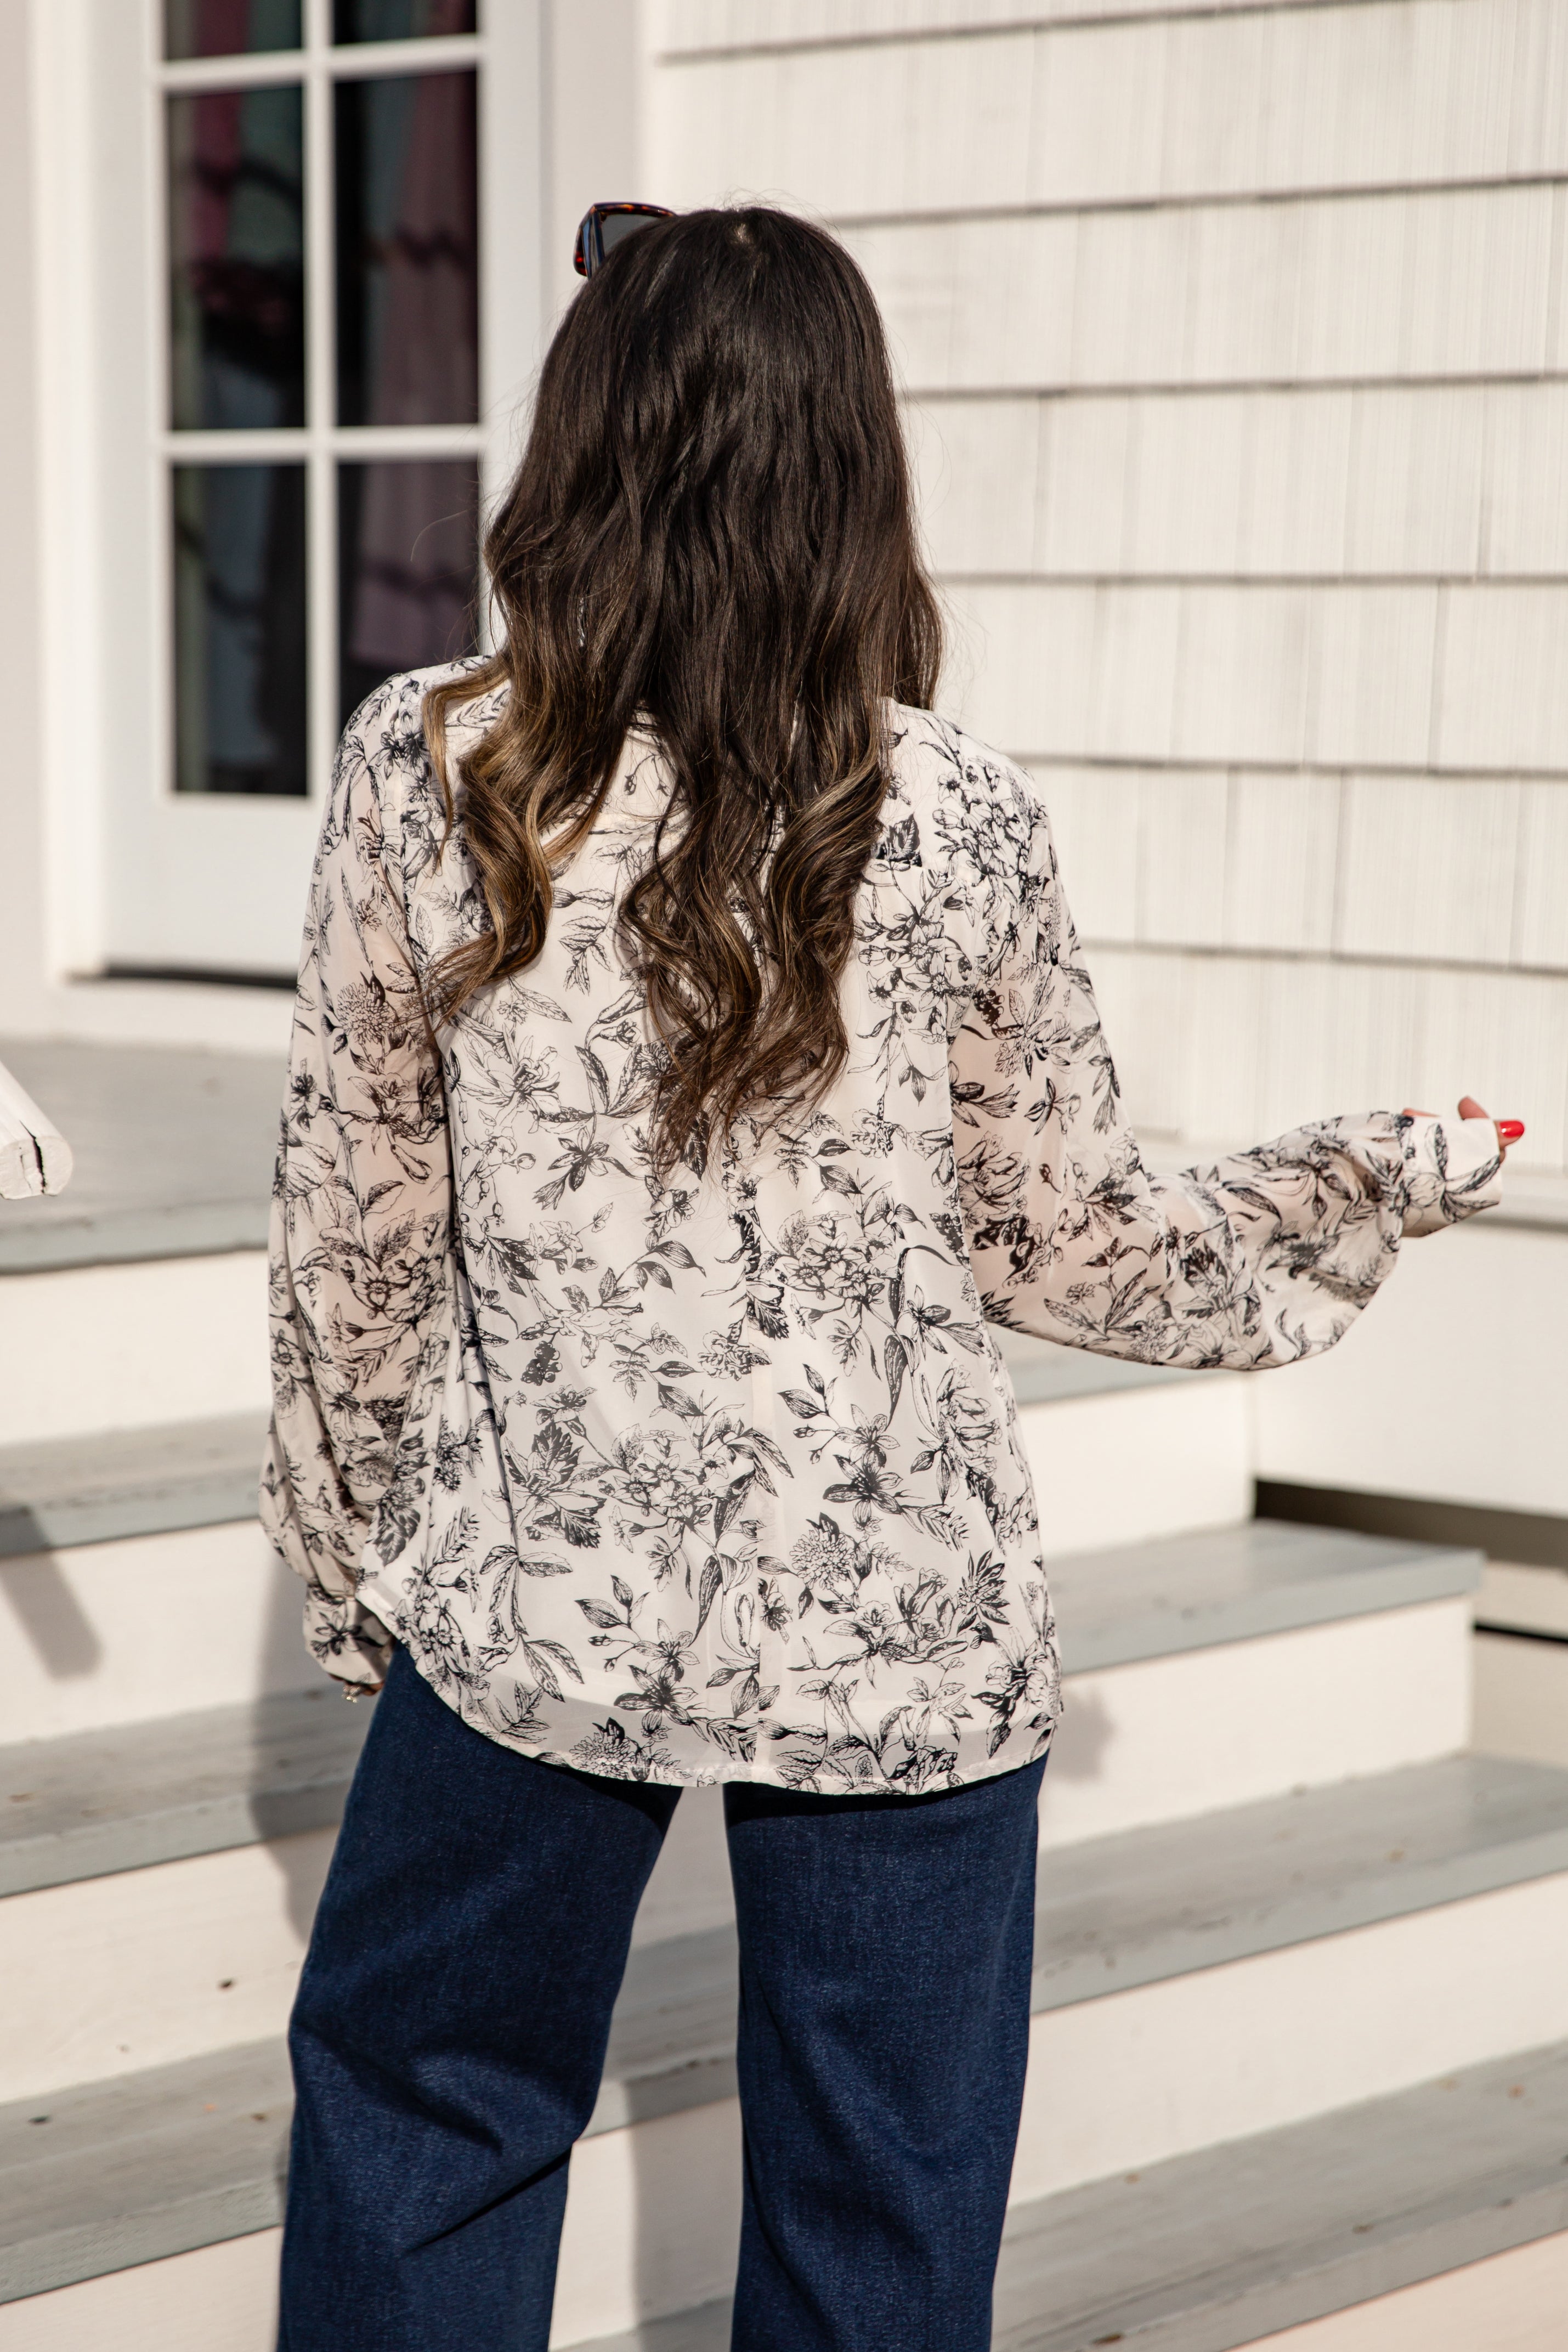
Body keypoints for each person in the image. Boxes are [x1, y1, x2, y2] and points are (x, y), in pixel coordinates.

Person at [261, 205, 1520, 2352]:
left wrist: (354, 1563)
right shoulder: (960, 810)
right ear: (853, 464)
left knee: (424, 2114)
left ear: (582, 442)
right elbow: (1069, 1243)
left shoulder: (435, 764)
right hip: (901, 1615)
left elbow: (352, 1231)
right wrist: (1359, 1185)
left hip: (527, 1590)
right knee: (882, 2216)